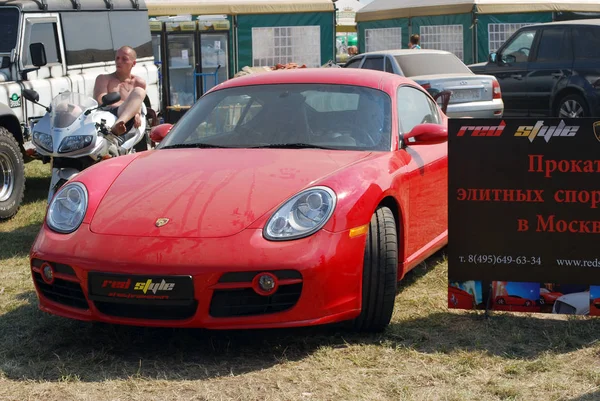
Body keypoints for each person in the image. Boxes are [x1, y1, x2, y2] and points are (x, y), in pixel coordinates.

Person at [93, 46, 147, 137]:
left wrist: (136, 112)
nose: (119, 61)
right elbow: (101, 100)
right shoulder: (103, 78)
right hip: (107, 114)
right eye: (117, 58)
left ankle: (118, 124)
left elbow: (139, 102)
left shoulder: (139, 82)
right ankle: (117, 125)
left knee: (139, 91)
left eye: (124, 59)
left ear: (133, 63)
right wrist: (131, 109)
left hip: (126, 119)